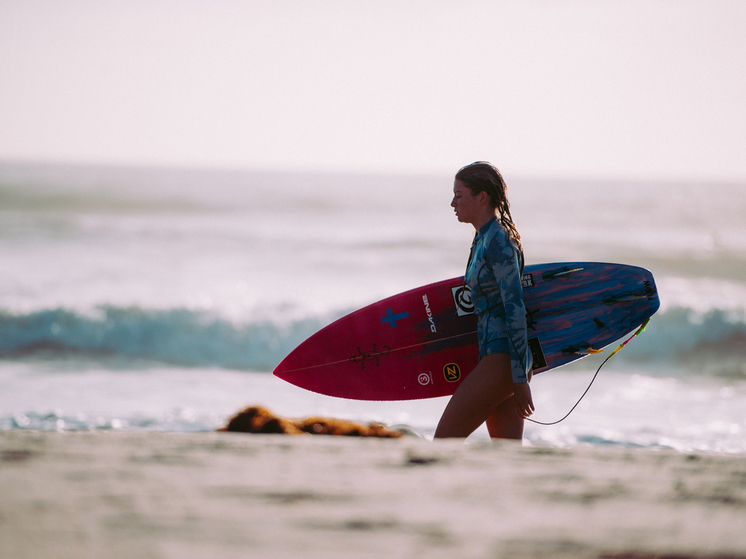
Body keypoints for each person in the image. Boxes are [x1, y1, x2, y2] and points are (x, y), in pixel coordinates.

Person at [434, 162, 533, 440]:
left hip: (501, 361)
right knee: (507, 454)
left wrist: (519, 377)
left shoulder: (498, 241)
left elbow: (514, 308)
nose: (452, 202)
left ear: (481, 197)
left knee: (442, 442)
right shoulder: (482, 238)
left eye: (459, 194)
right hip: (493, 359)